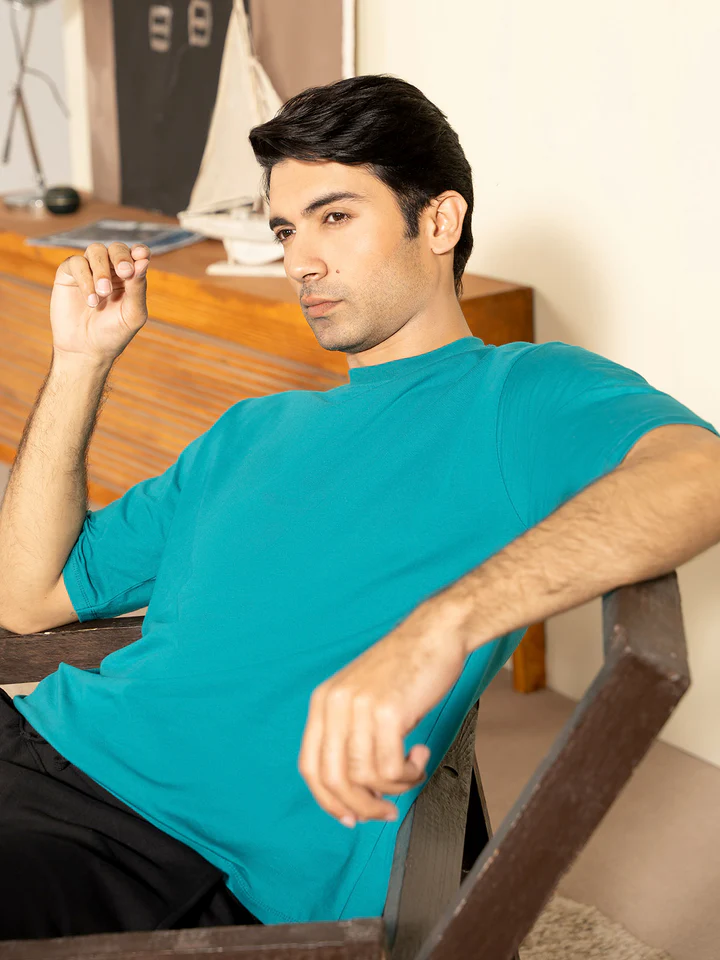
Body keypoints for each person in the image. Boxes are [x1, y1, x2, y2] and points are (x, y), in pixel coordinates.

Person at [1, 73, 719, 940]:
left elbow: (701, 475)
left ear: (439, 222)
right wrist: (80, 362)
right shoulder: (253, 428)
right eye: (285, 229)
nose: (301, 260)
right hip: (38, 741)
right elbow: (25, 596)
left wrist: (440, 628)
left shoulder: (516, 395)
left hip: (163, 850)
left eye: (334, 216)